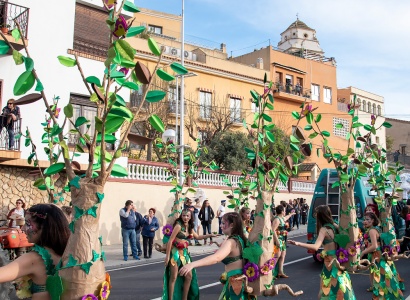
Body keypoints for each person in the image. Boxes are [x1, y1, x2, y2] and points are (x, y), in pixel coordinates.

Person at [0, 204, 70, 299]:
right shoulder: (67, 252)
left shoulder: (34, 258)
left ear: (45, 228)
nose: (23, 228)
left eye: (28, 224)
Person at [288, 205, 356, 299]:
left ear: (320, 216)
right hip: (337, 260)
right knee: (339, 287)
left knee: (324, 290)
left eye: (316, 214)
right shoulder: (335, 226)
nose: (315, 216)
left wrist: (297, 243)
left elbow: (316, 247)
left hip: (329, 263)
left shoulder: (324, 230)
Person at [179, 212, 249, 299]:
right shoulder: (240, 239)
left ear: (232, 225)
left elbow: (216, 258)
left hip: (236, 283)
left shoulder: (231, 242)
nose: (220, 226)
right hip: (240, 280)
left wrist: (192, 264)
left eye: (223, 223)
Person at [162, 209, 216, 300]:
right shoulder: (178, 226)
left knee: (189, 276)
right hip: (175, 254)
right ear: (181, 216)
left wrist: (210, 235)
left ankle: (185, 298)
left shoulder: (190, 227)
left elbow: (198, 237)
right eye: (183, 215)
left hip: (185, 255)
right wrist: (167, 256)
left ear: (190, 217)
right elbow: (170, 241)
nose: (185, 217)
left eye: (187, 216)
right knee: (173, 277)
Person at [360, 211, 404, 298]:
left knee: (379, 278)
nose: (365, 221)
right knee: (381, 276)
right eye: (364, 219)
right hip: (377, 255)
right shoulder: (377, 228)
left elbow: (374, 246)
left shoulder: (372, 230)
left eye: (367, 219)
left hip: (376, 256)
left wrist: (363, 252)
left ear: (372, 220)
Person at [272, 205, 295, 279]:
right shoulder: (277, 219)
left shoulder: (281, 218)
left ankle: (280, 272)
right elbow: (273, 230)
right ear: (282, 211)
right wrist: (276, 241)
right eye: (284, 210)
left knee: (282, 255)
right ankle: (271, 273)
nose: (285, 212)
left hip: (282, 239)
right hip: (278, 240)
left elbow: (286, 218)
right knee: (277, 256)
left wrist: (291, 214)